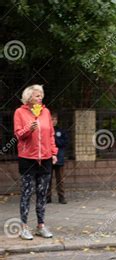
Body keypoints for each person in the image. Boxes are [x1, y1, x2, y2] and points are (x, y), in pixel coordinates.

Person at [14, 84, 58, 240]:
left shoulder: (45, 112)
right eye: (37, 95)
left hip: (45, 159)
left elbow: (51, 134)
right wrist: (29, 129)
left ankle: (41, 226)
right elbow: (19, 135)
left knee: (42, 193)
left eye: (41, 95)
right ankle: (24, 228)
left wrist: (53, 152)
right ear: (28, 98)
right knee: (26, 193)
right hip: (27, 158)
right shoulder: (20, 112)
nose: (40, 98)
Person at [47, 112, 69, 204]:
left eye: (55, 119)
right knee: (48, 179)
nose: (54, 121)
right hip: (48, 158)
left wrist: (55, 140)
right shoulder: (46, 130)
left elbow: (65, 143)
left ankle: (61, 197)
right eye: (52, 119)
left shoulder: (61, 131)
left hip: (59, 158)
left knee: (60, 180)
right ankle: (47, 198)